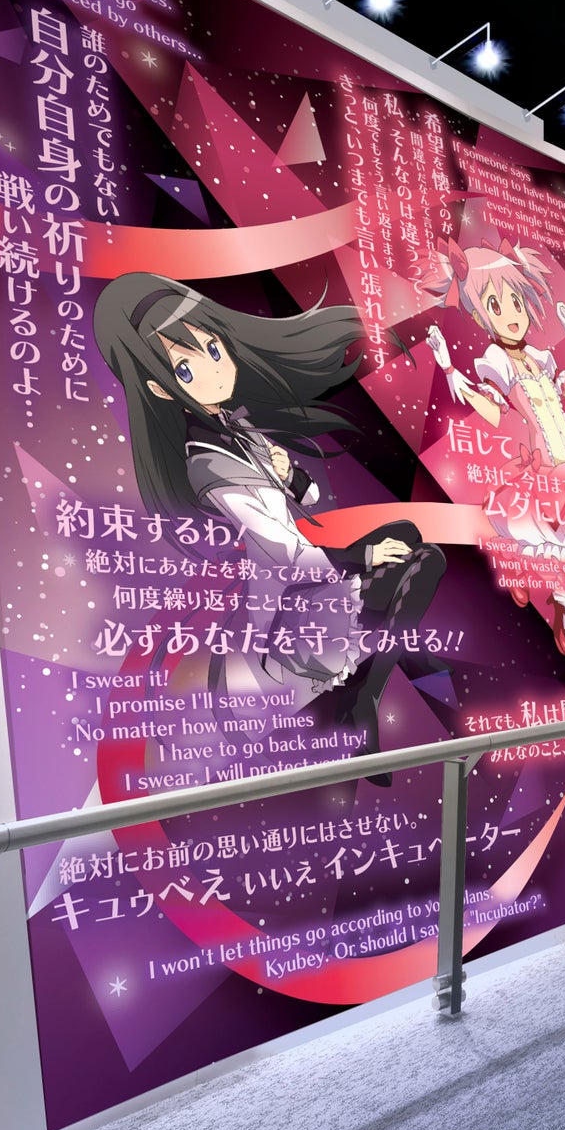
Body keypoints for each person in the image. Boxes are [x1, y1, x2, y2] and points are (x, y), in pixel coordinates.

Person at [94, 274, 447, 785]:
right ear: (158, 387)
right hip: (290, 609)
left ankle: (382, 659)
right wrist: (365, 557)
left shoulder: (232, 426)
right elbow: (285, 553)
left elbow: (305, 500)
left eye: (214, 348)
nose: (215, 369)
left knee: (406, 534)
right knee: (423, 562)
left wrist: (289, 474)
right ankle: (361, 695)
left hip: (306, 578)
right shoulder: (208, 465)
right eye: (186, 368)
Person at [427, 237, 565, 656]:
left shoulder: (541, 358)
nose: (511, 315)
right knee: (561, 545)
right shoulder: (496, 361)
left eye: (516, 302)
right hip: (545, 469)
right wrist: (449, 369)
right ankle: (554, 596)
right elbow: (493, 413)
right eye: (495, 305)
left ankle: (561, 603)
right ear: (480, 315)